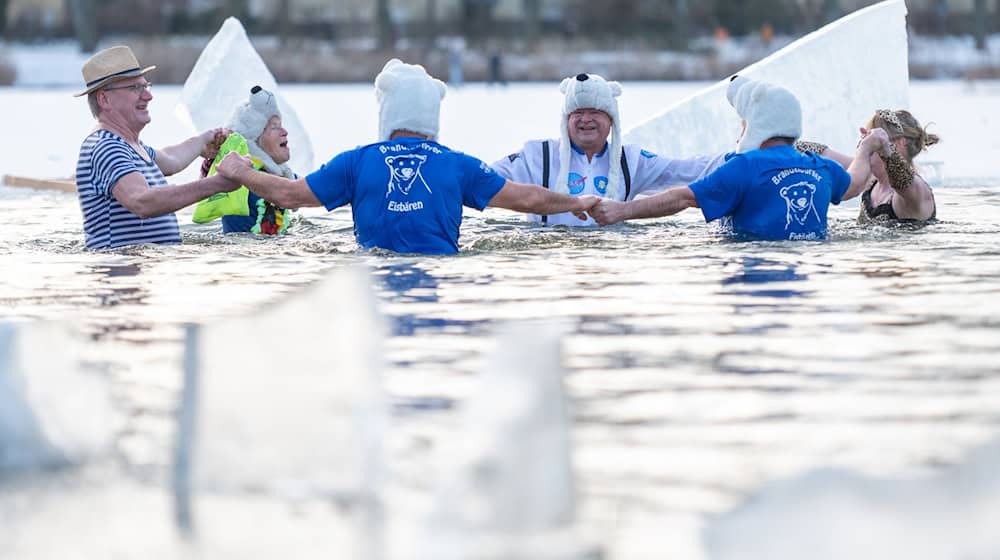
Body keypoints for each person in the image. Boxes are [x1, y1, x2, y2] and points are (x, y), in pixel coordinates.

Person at [215, 59, 599, 255]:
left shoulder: (357, 161)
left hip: (373, 270)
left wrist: (239, 171)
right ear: (432, 111)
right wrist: (576, 201)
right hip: (443, 269)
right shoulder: (457, 164)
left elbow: (290, 195)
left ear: (387, 110)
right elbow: (528, 198)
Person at [589, 76, 891, 240]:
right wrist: (865, 149)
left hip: (754, 261)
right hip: (808, 267)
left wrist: (622, 211)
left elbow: (683, 198)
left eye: (743, 123)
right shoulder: (819, 166)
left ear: (756, 125)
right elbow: (853, 184)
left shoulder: (744, 166)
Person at [490, 72, 726, 226]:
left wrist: (741, 157)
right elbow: (483, 180)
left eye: (595, 113)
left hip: (611, 258)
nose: (586, 120)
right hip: (553, 259)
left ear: (611, 120)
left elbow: (688, 170)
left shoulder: (631, 160)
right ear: (566, 120)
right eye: (578, 113)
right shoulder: (537, 155)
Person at [73, 45, 237, 249]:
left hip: (139, 271)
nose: (148, 96)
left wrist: (203, 141)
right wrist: (217, 184)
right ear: (104, 99)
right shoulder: (106, 146)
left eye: (145, 86)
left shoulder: (130, 145)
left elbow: (170, 160)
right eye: (135, 88)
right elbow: (142, 201)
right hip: (118, 272)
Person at [795, 109, 938, 224]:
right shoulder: (871, 178)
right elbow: (824, 154)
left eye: (871, 136)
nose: (864, 142)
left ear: (900, 143)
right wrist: (782, 144)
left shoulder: (917, 190)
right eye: (865, 137)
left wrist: (886, 149)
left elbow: (902, 181)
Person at [193, 85, 296, 234]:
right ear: (254, 140)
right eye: (275, 127)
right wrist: (211, 163)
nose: (285, 132)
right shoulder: (240, 180)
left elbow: (306, 188)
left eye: (281, 125)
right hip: (244, 251)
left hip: (269, 250)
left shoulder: (279, 176)